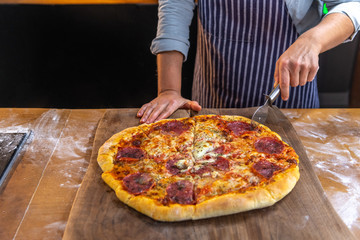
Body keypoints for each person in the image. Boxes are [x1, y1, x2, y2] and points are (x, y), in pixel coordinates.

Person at [137, 0, 360, 124]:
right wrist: (169, 89)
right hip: (213, 103)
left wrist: (313, 40)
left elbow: (351, 5)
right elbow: (175, 6)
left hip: (294, 108)